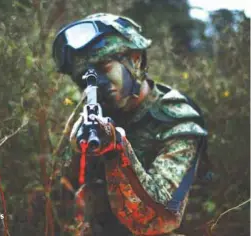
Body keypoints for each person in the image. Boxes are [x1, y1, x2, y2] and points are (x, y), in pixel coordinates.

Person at [51, 13, 208, 236]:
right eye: (85, 78)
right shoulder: (93, 111)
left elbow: (162, 219)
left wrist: (118, 150)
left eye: (104, 66)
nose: (96, 85)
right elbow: (62, 193)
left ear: (135, 59)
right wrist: (76, 152)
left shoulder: (176, 119)